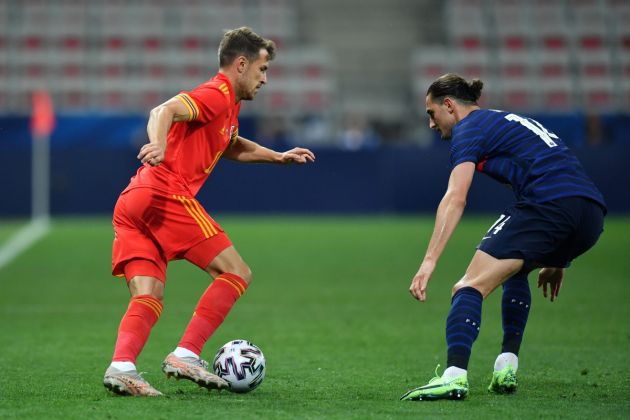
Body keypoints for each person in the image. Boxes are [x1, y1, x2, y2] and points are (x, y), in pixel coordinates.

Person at [103, 27, 315, 397]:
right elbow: (163, 109)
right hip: (164, 193)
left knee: (148, 294)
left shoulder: (227, 107)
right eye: (262, 70)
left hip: (133, 202)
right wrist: (157, 143)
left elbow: (231, 145)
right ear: (241, 64)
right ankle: (186, 353)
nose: (264, 80)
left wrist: (277, 157)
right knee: (236, 272)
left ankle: (122, 367)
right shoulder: (217, 93)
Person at [400, 73, 606, 401]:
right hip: (591, 214)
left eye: (431, 113)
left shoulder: (469, 129)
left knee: (468, 286)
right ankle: (506, 365)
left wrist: (428, 261)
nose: (431, 124)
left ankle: (454, 376)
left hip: (548, 206)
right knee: (517, 268)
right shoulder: (509, 120)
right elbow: (562, 171)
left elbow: (456, 197)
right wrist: (559, 257)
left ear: (449, 106)